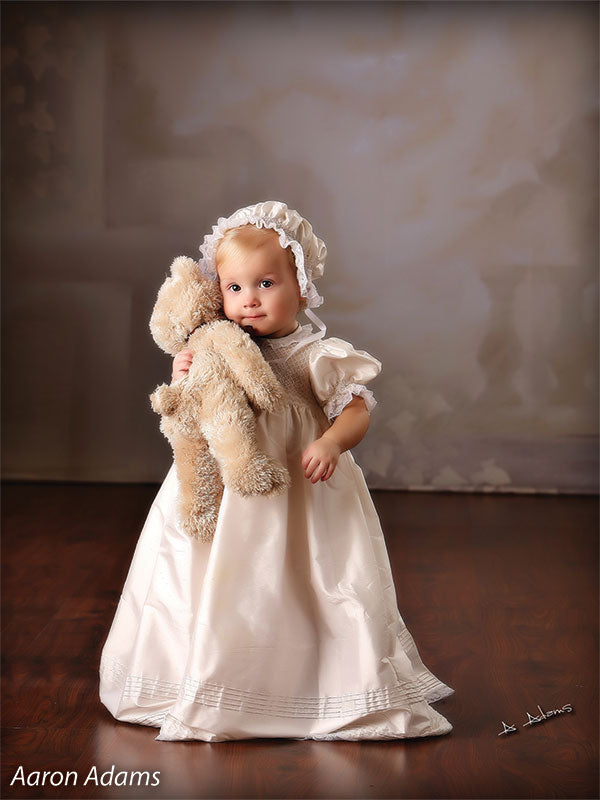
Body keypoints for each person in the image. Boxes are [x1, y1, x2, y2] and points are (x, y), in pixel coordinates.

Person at [99, 200, 453, 741]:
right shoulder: (216, 346)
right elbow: (189, 407)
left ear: (302, 286)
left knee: (306, 579)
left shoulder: (315, 353)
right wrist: (182, 370)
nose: (249, 300)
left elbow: (356, 409)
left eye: (266, 283)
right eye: (234, 287)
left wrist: (331, 441)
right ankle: (199, 674)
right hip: (222, 489)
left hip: (300, 491)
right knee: (203, 574)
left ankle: (310, 681)